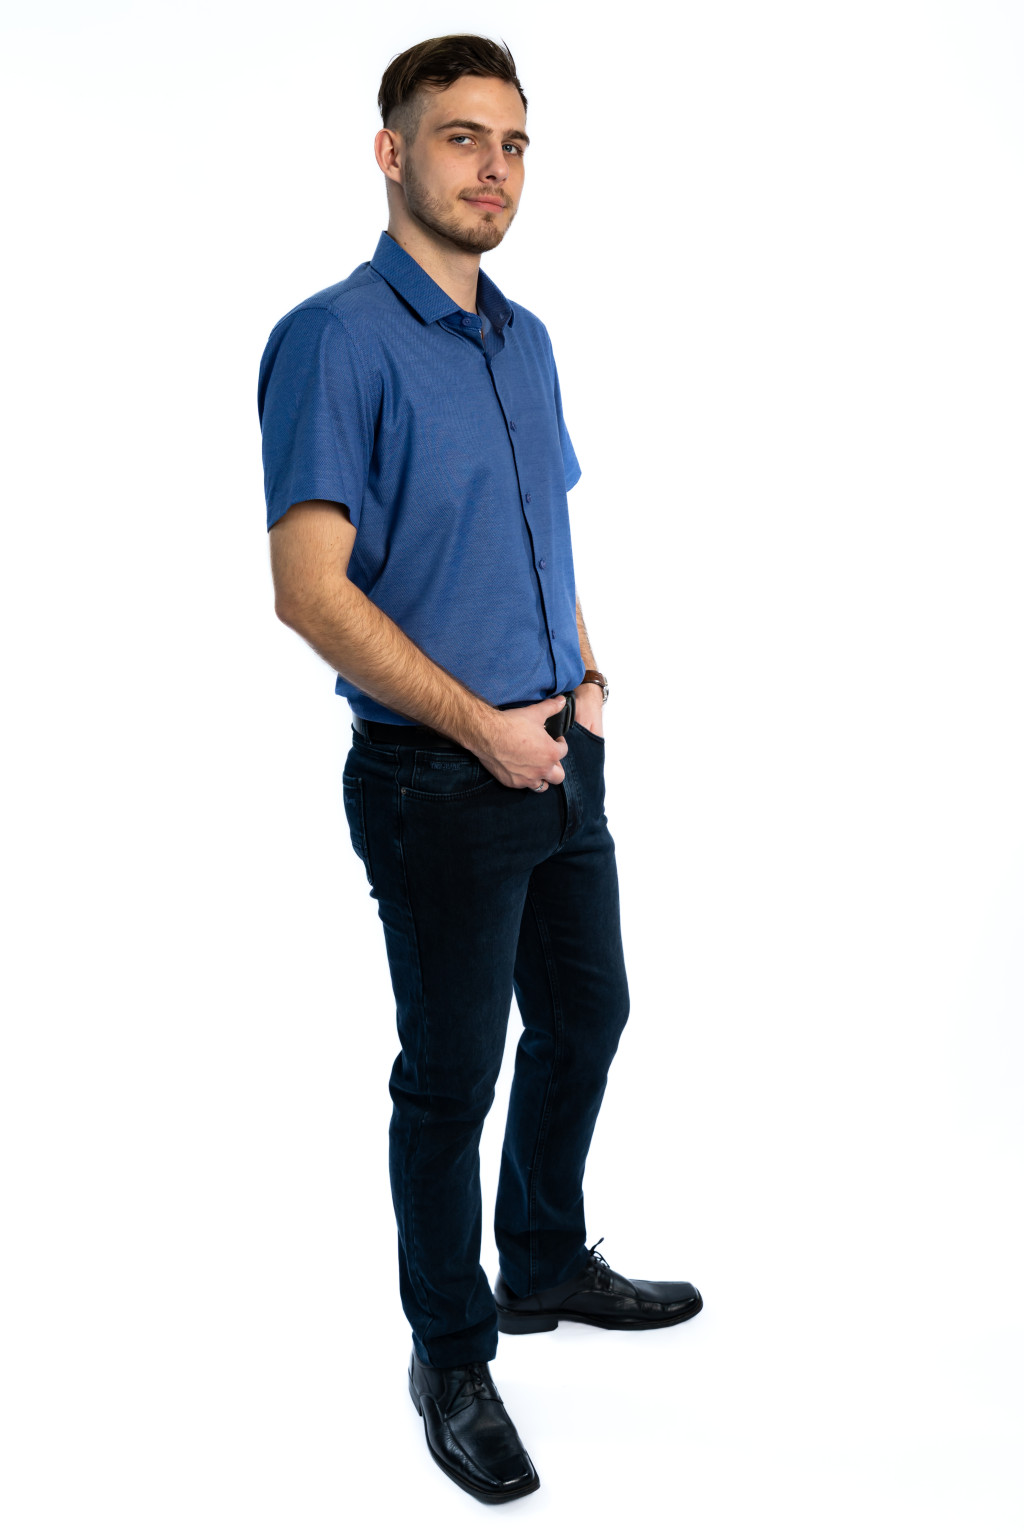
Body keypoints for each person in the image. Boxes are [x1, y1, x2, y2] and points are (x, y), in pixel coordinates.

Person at [258, 34, 702, 1504]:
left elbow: (543, 530)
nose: (493, 168)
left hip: (559, 750)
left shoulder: (528, 338)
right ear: (392, 153)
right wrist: (481, 726)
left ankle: (545, 1260)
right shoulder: (335, 339)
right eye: (461, 138)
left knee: (589, 1012)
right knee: (452, 1079)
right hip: (436, 783)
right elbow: (308, 590)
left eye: (513, 143)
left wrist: (585, 676)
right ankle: (451, 1354)